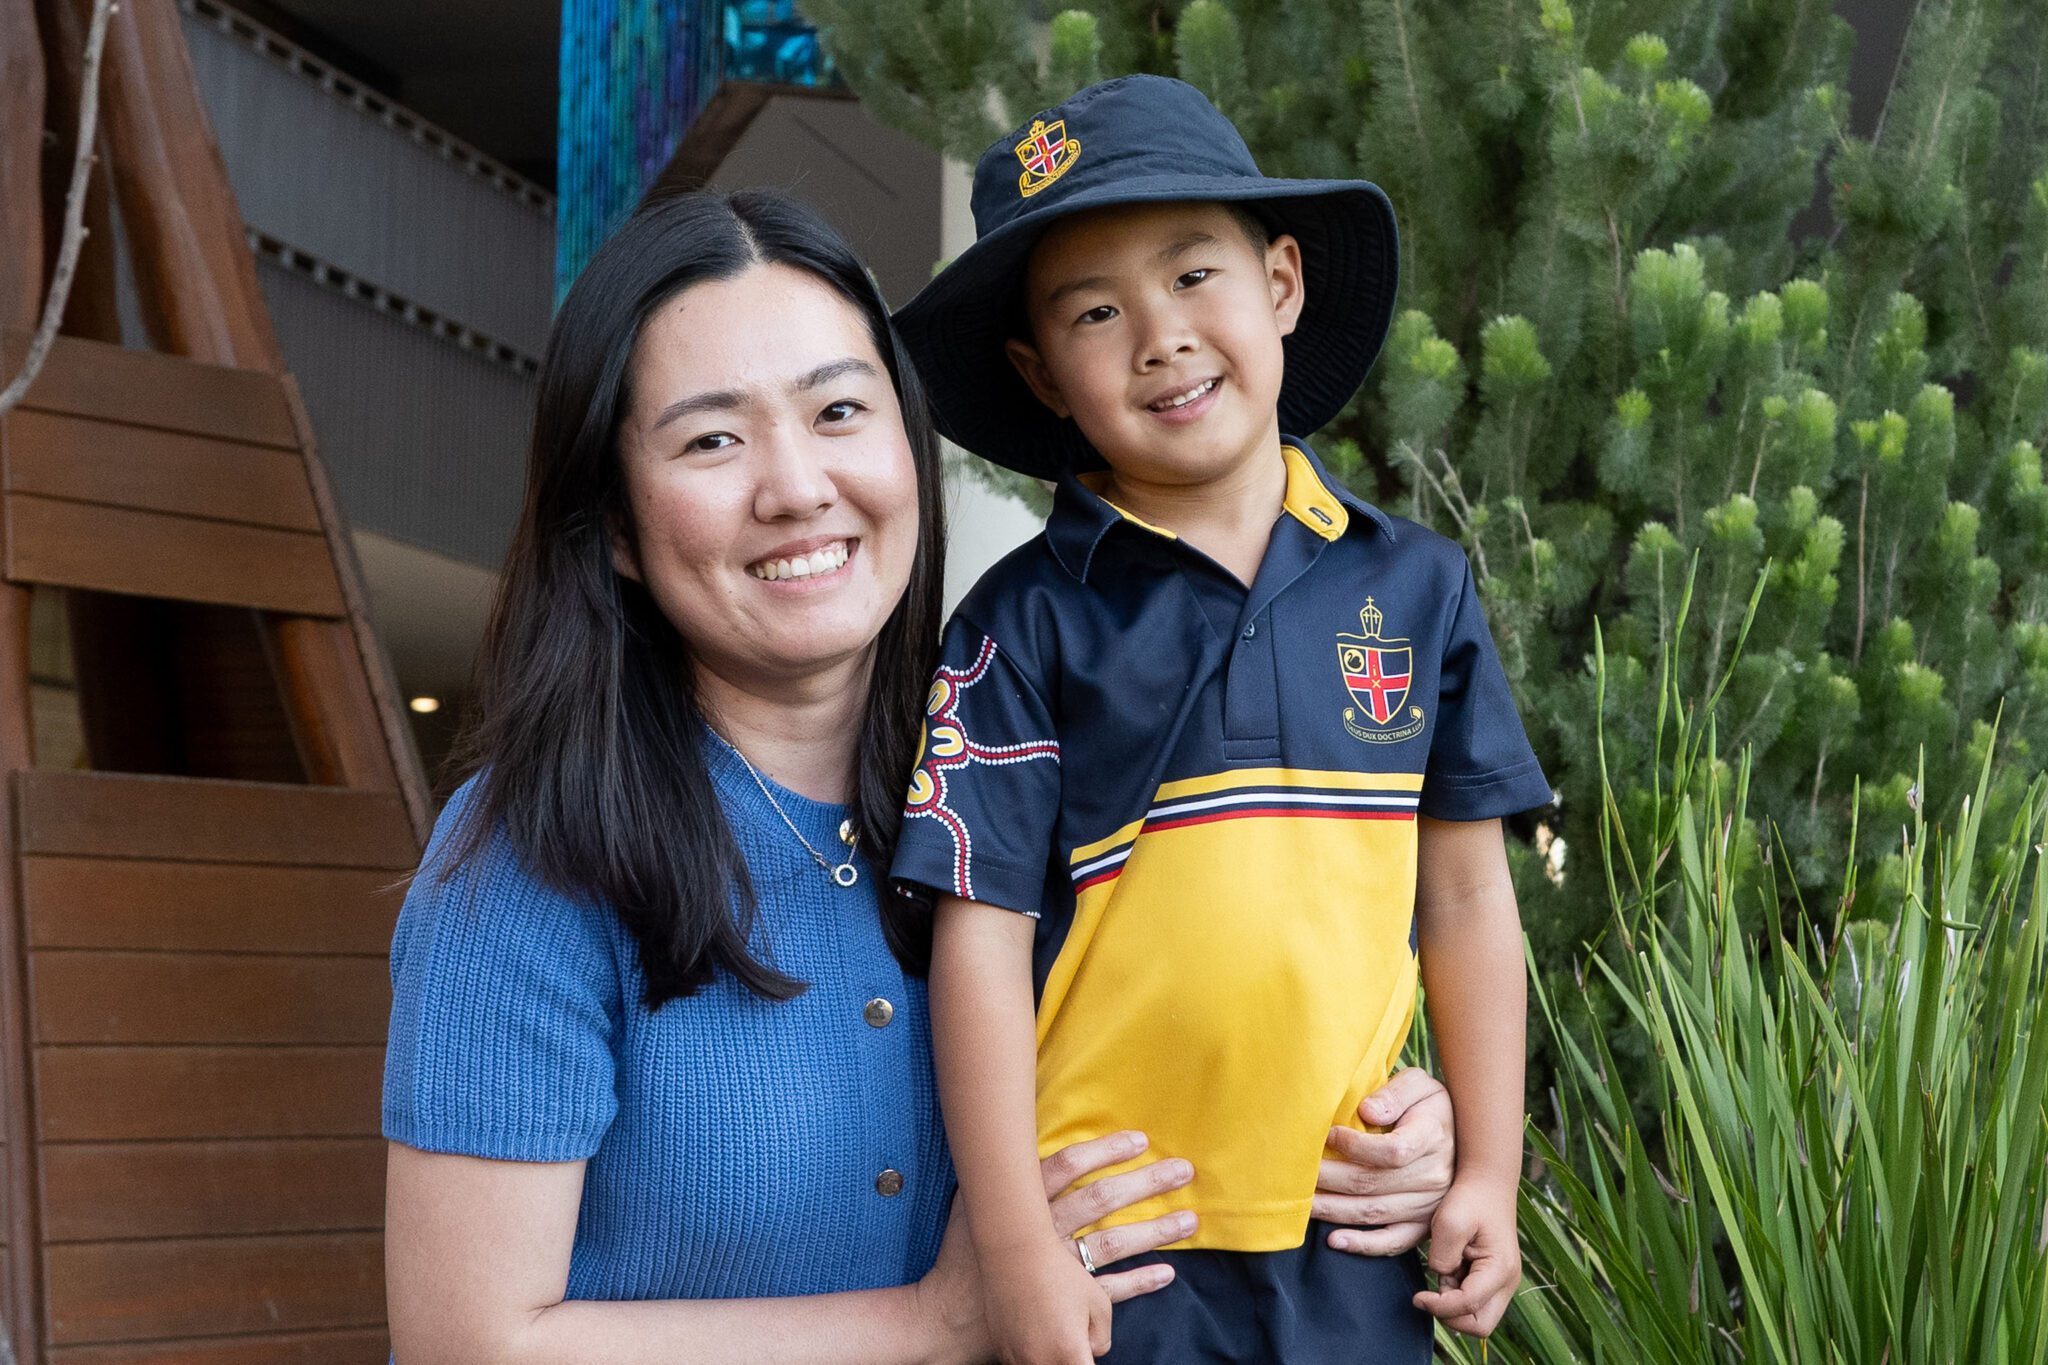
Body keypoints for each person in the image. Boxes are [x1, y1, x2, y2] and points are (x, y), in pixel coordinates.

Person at [381, 186, 1463, 1364]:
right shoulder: (528, 861)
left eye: (838, 410)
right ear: (621, 530)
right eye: (711, 439)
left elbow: (1238, 996)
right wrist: (930, 1323)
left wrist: (1387, 1136)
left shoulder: (1025, 774)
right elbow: (468, 1339)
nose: (796, 486)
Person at [887, 76, 1550, 1364]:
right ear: (1038, 371)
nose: (1159, 336)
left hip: (1350, 1225)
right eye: (1094, 311)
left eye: (1195, 276)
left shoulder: (1414, 587)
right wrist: (1016, 1243)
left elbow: (1466, 902)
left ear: (1282, 286)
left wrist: (1484, 1166)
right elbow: (976, 945)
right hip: (1119, 1250)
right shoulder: (1020, 624)